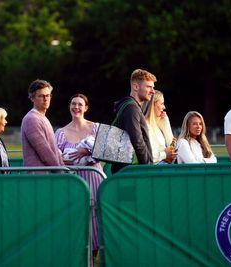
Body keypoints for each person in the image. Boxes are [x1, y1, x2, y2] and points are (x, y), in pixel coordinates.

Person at [55, 94, 104, 258]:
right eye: (73, 104)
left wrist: (86, 151)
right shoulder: (61, 132)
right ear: (69, 106)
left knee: (96, 216)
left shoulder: (95, 128)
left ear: (86, 108)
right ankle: (81, 256)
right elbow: (55, 156)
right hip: (74, 181)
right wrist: (63, 161)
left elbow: (105, 152)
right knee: (78, 216)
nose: (76, 107)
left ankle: (95, 254)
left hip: (94, 177)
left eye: (80, 104)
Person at [111, 69, 156, 173]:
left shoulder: (130, 106)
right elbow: (137, 140)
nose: (153, 91)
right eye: (149, 87)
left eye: (153, 88)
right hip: (131, 170)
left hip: (128, 169)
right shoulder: (132, 108)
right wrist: (147, 166)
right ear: (136, 86)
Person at [21, 79, 64, 167]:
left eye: (48, 95)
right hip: (39, 177)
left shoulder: (42, 117)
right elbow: (45, 153)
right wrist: (62, 172)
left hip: (47, 176)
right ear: (32, 98)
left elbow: (53, 150)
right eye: (41, 96)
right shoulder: (31, 119)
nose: (46, 99)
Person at [144, 90, 177, 164]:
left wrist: (166, 124)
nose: (164, 107)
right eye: (162, 104)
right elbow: (148, 156)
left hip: (163, 166)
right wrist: (165, 155)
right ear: (153, 105)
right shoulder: (145, 126)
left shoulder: (157, 125)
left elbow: (173, 145)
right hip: (154, 170)